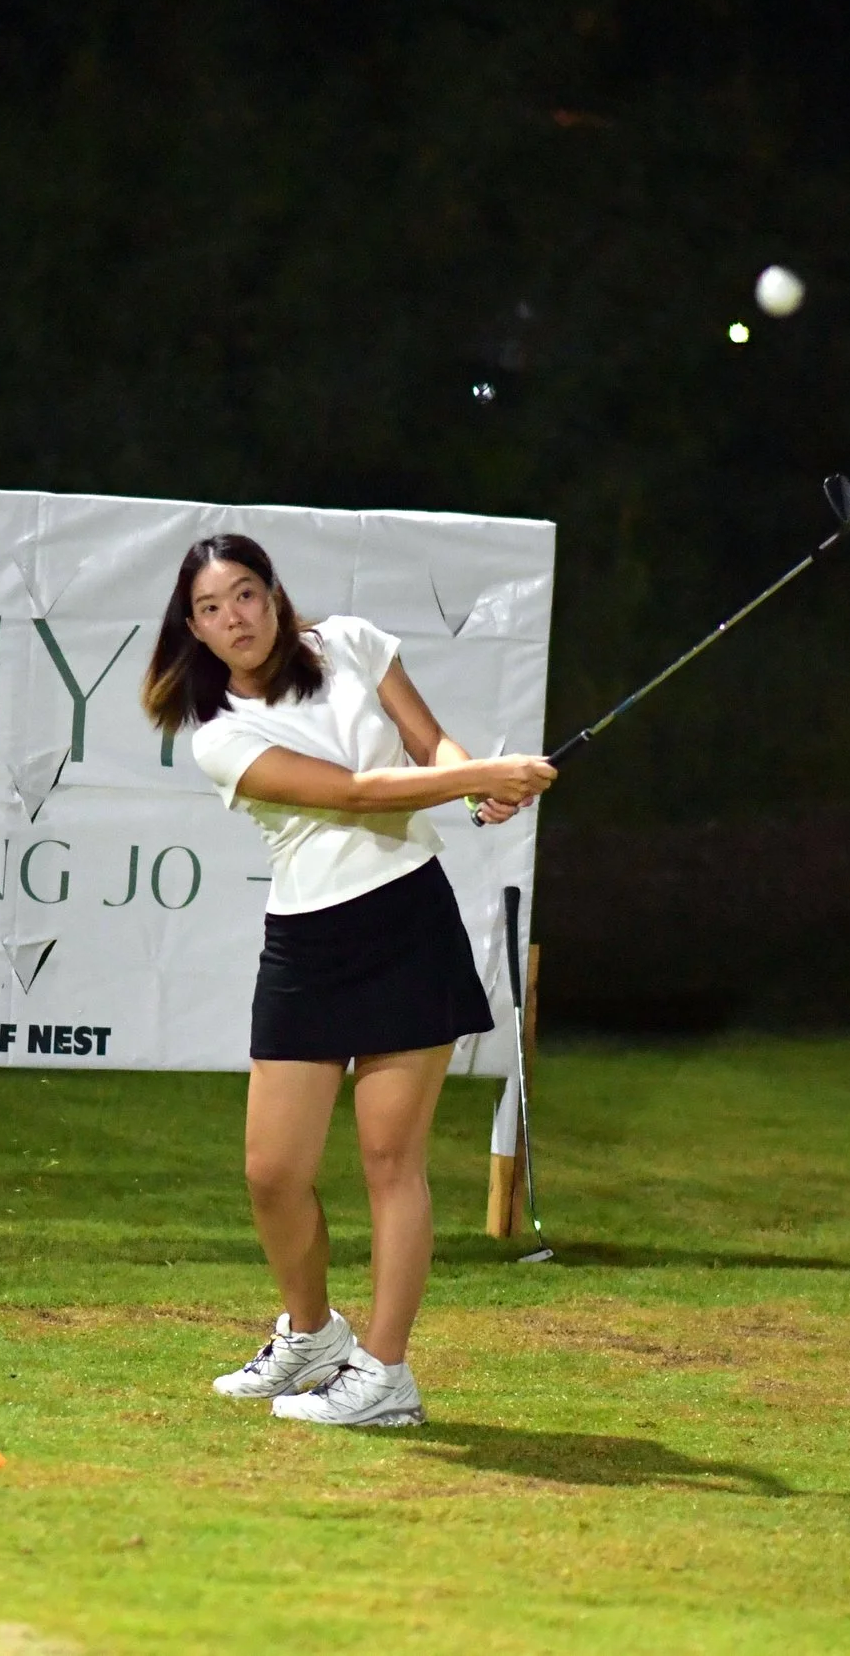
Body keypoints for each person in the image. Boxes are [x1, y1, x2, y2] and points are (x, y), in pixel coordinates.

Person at [143, 536, 556, 1426]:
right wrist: (484, 776)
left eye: (246, 594)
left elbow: (423, 739)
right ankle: (312, 1333)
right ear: (195, 629)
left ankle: (386, 1375)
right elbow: (358, 791)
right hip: (308, 943)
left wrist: (472, 778)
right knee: (271, 1171)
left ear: (274, 594)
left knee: (389, 1161)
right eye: (212, 609)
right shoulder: (218, 734)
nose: (235, 618)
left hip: (407, 919)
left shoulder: (353, 643)